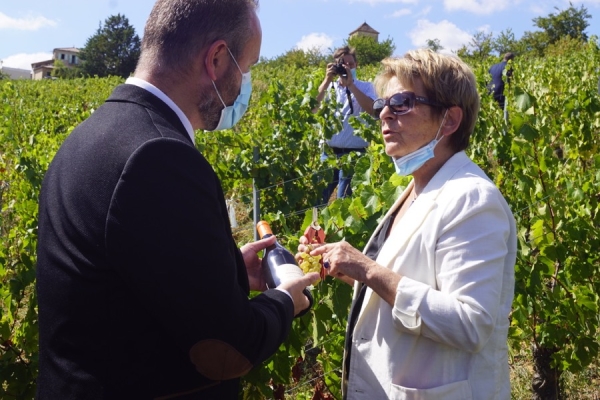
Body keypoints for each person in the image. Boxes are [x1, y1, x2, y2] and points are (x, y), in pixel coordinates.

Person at [35, 1, 318, 399]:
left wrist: (227, 271)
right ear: (217, 59)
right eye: (248, 67)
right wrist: (285, 300)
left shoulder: (90, 135)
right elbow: (227, 351)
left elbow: (125, 282)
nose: (246, 83)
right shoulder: (159, 156)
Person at [301, 49, 517, 399]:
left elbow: (470, 324)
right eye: (383, 104)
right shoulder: (417, 188)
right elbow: (407, 277)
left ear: (448, 121)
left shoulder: (472, 198)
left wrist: (368, 270)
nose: (384, 113)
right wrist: (351, 270)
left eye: (401, 102)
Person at [314, 46, 377, 205]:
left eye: (351, 64)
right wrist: (327, 79)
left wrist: (351, 86)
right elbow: (313, 108)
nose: (347, 67)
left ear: (356, 65)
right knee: (318, 200)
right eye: (343, 64)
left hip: (354, 154)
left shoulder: (366, 87)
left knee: (344, 202)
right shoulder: (329, 87)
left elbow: (373, 110)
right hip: (328, 154)